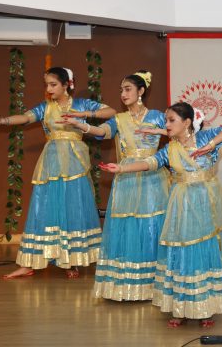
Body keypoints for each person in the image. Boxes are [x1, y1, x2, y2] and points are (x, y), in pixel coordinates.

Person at [100, 102, 222, 327]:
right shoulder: (170, 149)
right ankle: (179, 308)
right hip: (180, 204)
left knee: (202, 248)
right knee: (179, 249)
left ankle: (205, 308)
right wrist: (122, 168)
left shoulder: (205, 138)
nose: (167, 125)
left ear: (186, 122)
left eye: (172, 120)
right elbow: (150, 162)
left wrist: (211, 144)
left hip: (204, 204)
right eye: (166, 121)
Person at [0, 67, 116, 279]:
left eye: (53, 84)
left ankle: (72, 261)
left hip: (75, 164)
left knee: (73, 207)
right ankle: (30, 263)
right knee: (43, 209)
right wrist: (1, 121)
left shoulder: (81, 104)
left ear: (66, 85)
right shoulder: (46, 107)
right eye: (46, 84)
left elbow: (111, 112)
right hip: (51, 163)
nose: (48, 89)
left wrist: (83, 115)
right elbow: (25, 118)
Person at [64, 70, 170, 300]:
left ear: (141, 91)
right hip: (125, 178)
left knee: (151, 226)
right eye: (121, 90)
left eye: (128, 89)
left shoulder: (158, 116)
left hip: (152, 177)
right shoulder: (119, 119)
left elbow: (180, 134)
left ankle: (154, 285)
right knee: (127, 227)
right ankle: (127, 285)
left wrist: (162, 132)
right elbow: (101, 131)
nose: (123, 94)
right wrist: (80, 125)